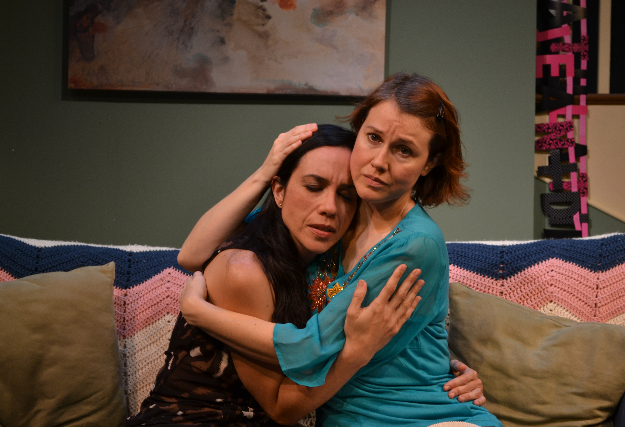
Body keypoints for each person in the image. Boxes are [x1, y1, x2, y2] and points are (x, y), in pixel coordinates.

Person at [179, 73, 502, 427]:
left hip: (426, 418)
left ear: (429, 163)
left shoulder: (415, 243)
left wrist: (201, 314)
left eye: (404, 150)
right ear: (358, 132)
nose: (379, 162)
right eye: (373, 138)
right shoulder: (340, 211)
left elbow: (312, 349)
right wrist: (264, 173)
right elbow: (194, 254)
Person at [126, 125, 426, 427]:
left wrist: (444, 369)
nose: (330, 208)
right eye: (314, 187)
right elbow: (282, 408)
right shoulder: (244, 269)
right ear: (279, 191)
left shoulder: (331, 259)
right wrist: (355, 355)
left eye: (346, 195)